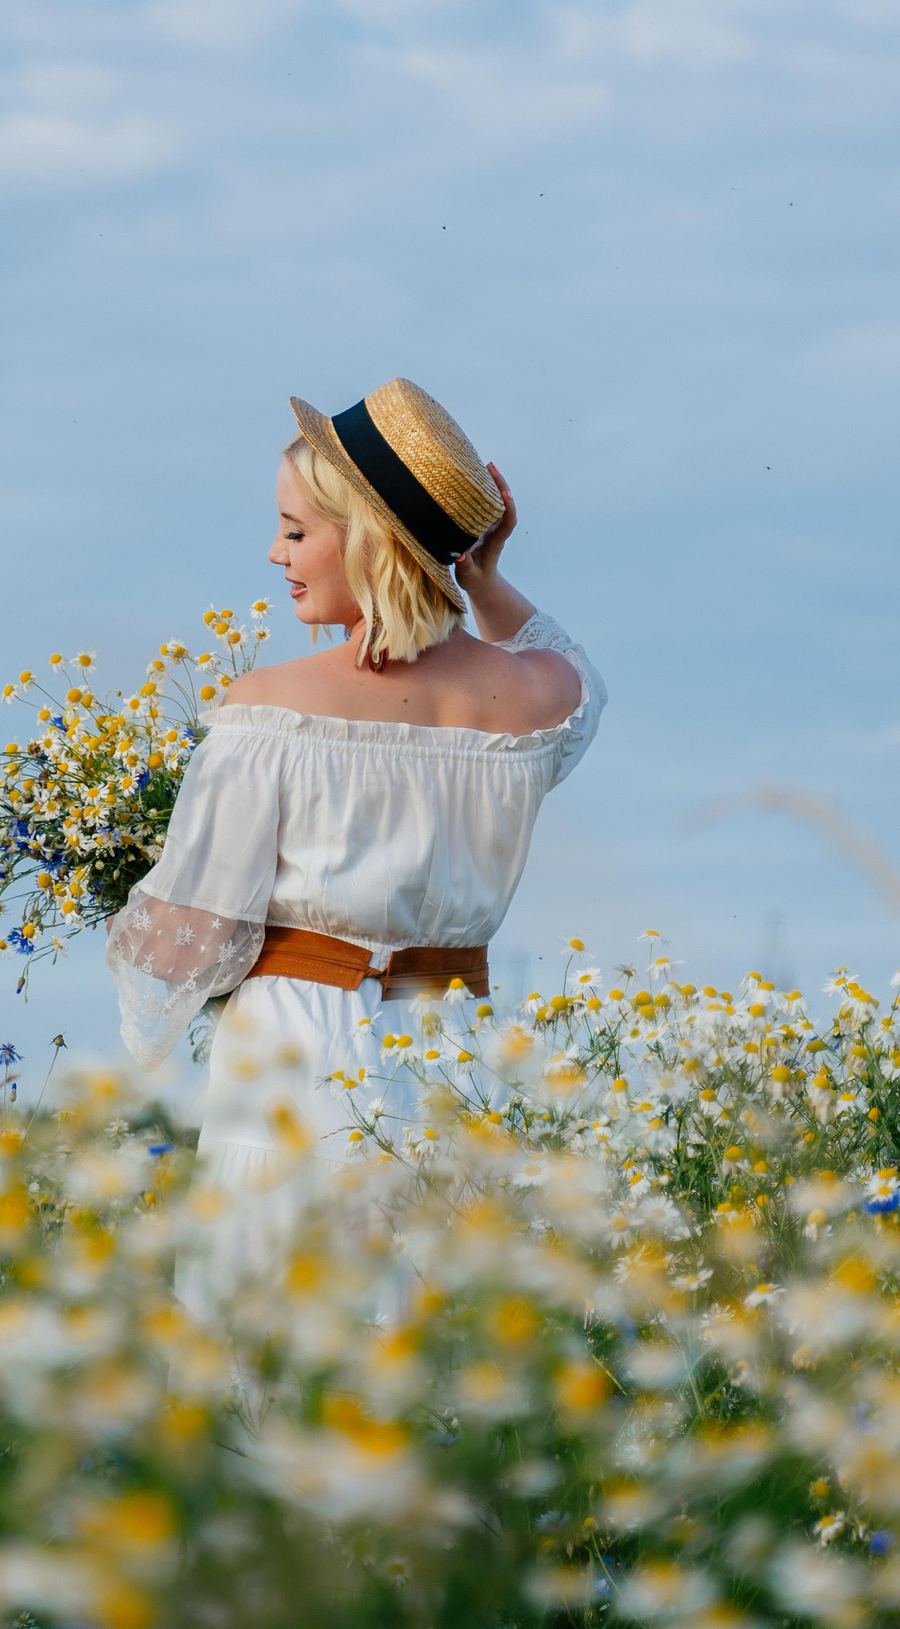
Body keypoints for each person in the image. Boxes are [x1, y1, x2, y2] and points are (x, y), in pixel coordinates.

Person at [103, 378, 606, 1306]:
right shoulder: (537, 704)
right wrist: (483, 579)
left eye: (297, 531)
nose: (275, 553)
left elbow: (181, 953)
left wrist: (128, 890)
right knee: (429, 1333)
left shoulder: (267, 715)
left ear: (367, 541)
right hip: (452, 1049)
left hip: (297, 1054)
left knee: (279, 1328)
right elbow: (576, 668)